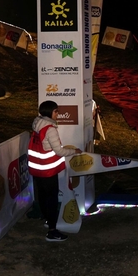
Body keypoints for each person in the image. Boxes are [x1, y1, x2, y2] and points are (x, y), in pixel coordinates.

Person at [28, 100, 82, 242]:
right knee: (51, 198)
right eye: (56, 111)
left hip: (37, 168)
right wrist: (74, 151)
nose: (58, 114)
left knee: (42, 196)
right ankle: (52, 231)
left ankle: (48, 219)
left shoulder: (37, 123)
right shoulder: (50, 129)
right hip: (48, 170)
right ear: (50, 112)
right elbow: (59, 151)